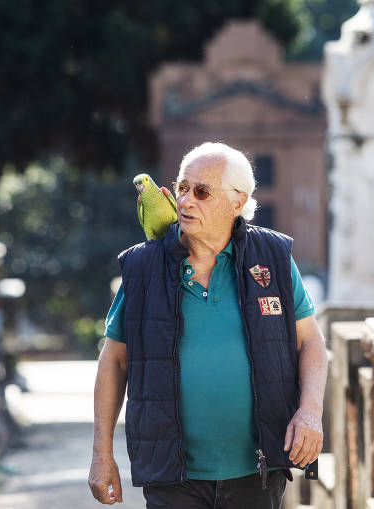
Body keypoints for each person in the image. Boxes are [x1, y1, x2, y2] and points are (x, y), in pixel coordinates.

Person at [89, 142, 328, 508]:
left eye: (201, 192)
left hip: (258, 471)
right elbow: (114, 360)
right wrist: (101, 454)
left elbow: (310, 342)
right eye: (182, 188)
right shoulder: (143, 267)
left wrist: (310, 410)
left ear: (237, 201)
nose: (184, 201)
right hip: (172, 475)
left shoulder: (273, 259)